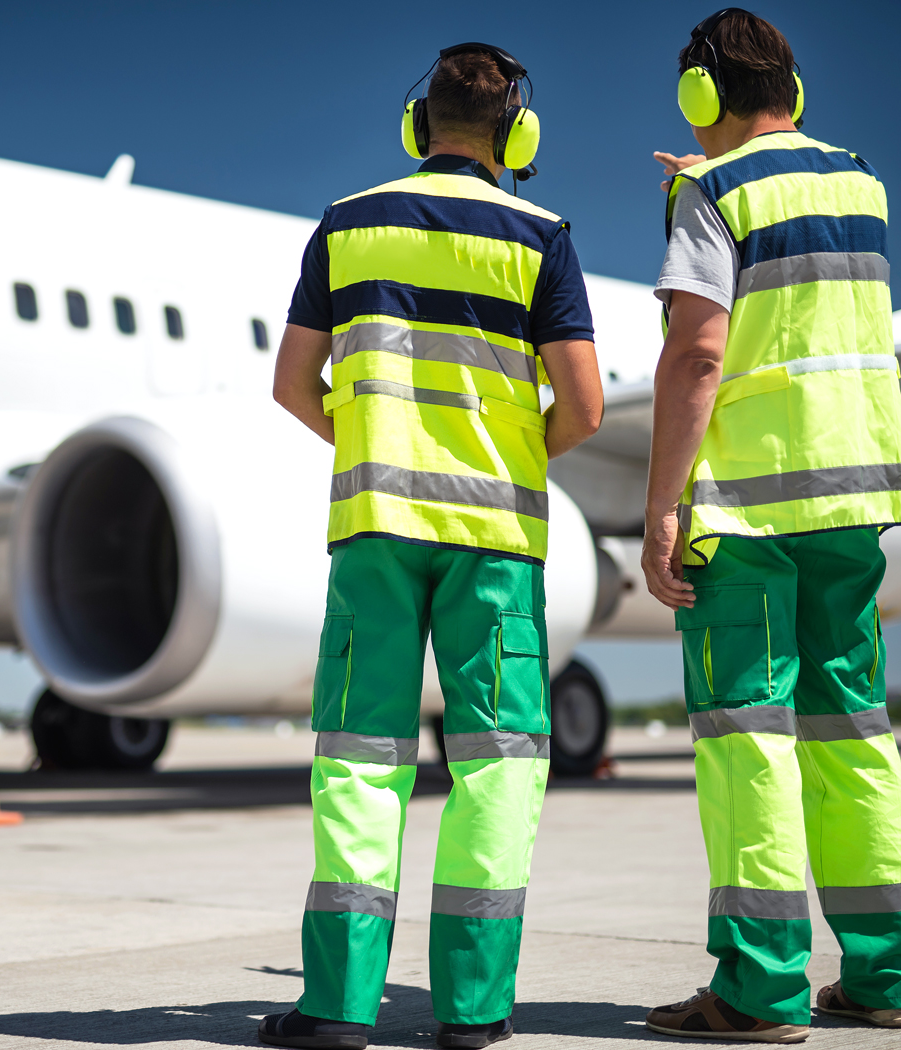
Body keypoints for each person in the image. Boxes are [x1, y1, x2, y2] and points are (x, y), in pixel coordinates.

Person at [258, 42, 601, 1050]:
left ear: (419, 126)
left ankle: (335, 1008)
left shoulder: (345, 226)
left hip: (374, 531)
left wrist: (371, 446)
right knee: (495, 767)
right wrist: (503, 457)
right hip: (492, 539)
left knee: (360, 766)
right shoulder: (542, 237)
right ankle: (473, 1013)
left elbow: (289, 385)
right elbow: (579, 404)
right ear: (513, 137)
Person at [640, 9, 901, 1043]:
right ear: (791, 94)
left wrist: (661, 505)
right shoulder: (859, 182)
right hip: (849, 507)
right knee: (851, 735)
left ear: (699, 98)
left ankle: (756, 991)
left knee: (745, 745)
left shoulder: (713, 196)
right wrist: (703, 185)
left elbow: (698, 358)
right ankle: (883, 976)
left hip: (750, 513)